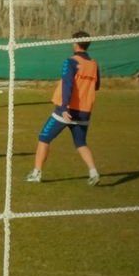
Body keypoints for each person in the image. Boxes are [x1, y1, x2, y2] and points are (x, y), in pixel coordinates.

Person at [26, 31, 101, 186]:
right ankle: (93, 172)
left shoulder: (71, 61)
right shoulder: (94, 64)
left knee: (44, 138)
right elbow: (97, 86)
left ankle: (36, 173)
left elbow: (67, 84)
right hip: (85, 111)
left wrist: (65, 106)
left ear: (75, 43)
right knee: (80, 142)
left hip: (66, 110)